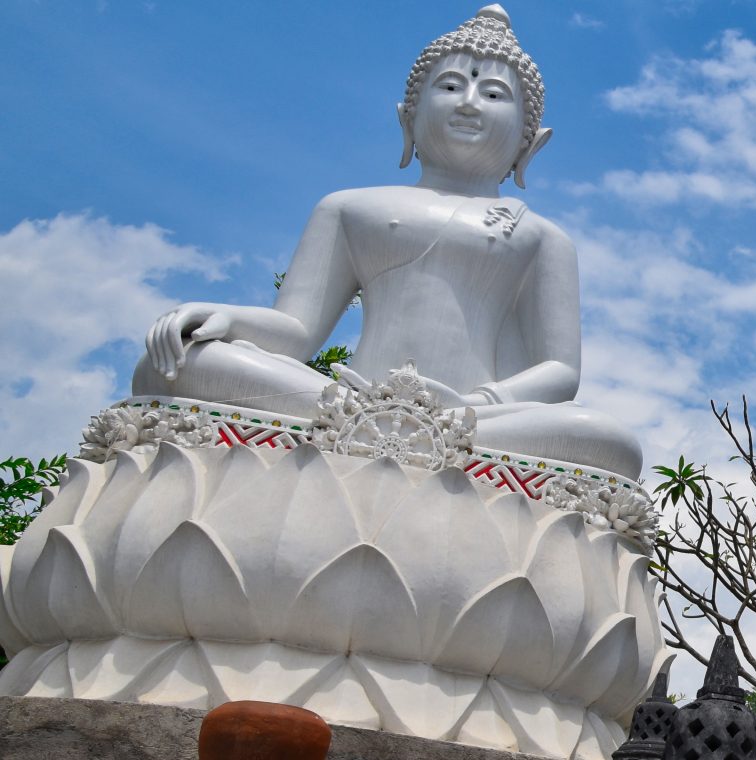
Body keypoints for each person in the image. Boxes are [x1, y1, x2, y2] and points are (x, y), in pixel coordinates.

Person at [129, 5, 644, 479]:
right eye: (448, 88)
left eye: (492, 95)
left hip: (477, 416)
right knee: (175, 364)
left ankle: (445, 434)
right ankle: (377, 427)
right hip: (345, 401)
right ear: (407, 118)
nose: (468, 104)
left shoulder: (541, 237)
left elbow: (558, 372)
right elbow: (296, 330)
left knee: (609, 440)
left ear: (530, 144)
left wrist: (477, 406)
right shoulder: (349, 207)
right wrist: (229, 320)